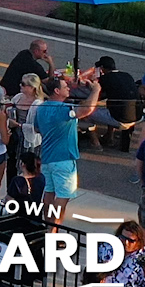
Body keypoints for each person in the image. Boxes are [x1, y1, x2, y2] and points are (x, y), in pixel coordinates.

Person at [38, 73, 101, 220]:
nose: (68, 89)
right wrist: (95, 90)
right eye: (65, 87)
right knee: (63, 197)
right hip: (64, 159)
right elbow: (86, 109)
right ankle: (54, 229)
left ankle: (47, 224)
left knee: (49, 193)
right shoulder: (64, 109)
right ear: (57, 91)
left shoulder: (41, 108)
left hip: (47, 158)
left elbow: (37, 128)